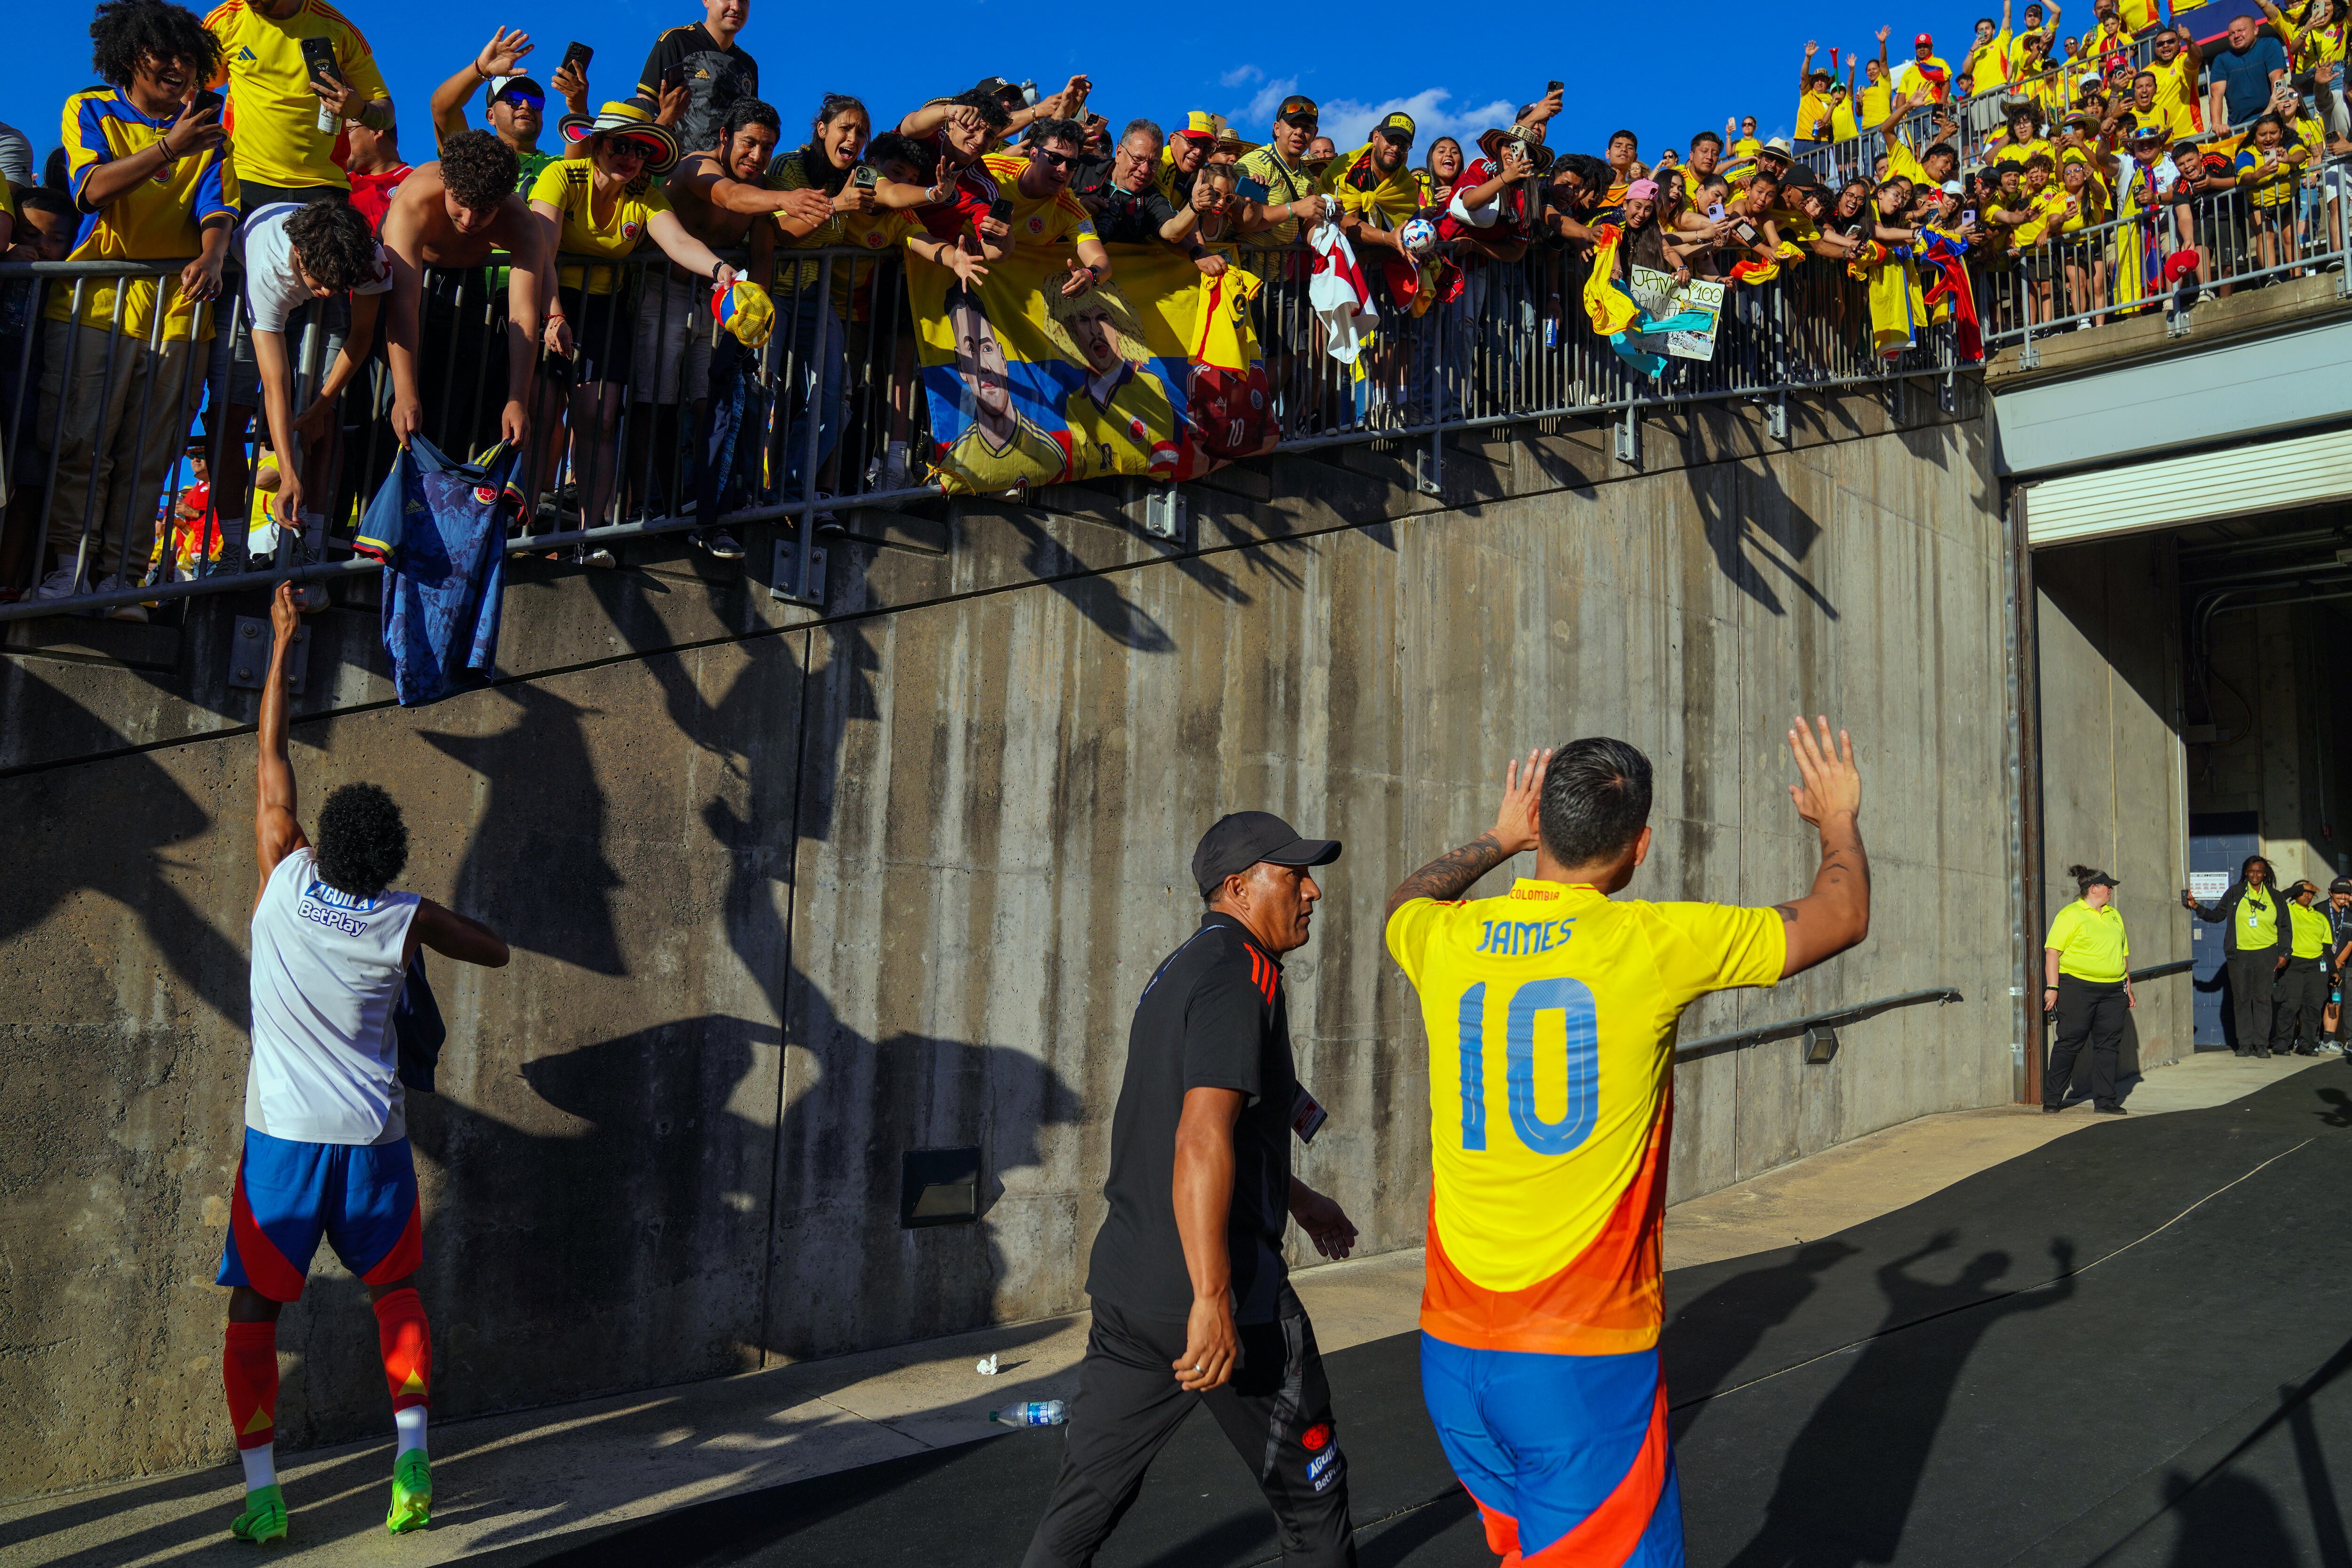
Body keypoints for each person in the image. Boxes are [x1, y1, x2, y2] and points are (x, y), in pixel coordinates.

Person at [1382, 719, 1869, 1567]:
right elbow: (1842, 914)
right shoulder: (1653, 941)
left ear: (1543, 830)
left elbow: (1404, 901)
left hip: (1452, 1355)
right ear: (1638, 845)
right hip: (1577, 1363)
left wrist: (1499, 835)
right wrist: (1836, 818)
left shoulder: (1447, 939)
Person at [218, 581, 511, 1547]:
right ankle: (414, 1457)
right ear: (382, 862)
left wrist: (282, 645)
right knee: (395, 1294)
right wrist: (417, 915)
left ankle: (263, 1492)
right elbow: (494, 947)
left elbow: (269, 758)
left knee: (258, 1305)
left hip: (284, 1143)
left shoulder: (283, 871)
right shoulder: (400, 917)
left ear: (317, 843)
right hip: (373, 1141)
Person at [1019, 811, 1358, 1568]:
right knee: (1313, 1500)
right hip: (1222, 1300)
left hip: (1132, 1295)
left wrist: (1298, 1198)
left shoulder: (1180, 969)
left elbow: (1213, 1124)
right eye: (1294, 875)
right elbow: (1199, 1138)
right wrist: (1213, 1298)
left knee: (1083, 1507)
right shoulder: (1245, 974)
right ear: (1239, 887)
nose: (1312, 893)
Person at [36, 0, 237, 616]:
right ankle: (72, 569)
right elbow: (91, 188)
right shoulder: (89, 107)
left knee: (150, 454)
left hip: (177, 317)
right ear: (129, 57)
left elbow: (217, 211)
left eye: (188, 56)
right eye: (165, 54)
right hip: (92, 306)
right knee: (80, 445)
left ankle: (124, 578)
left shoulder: (209, 131)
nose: (179, 66)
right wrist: (169, 148)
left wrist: (213, 255)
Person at [530, 102, 739, 549]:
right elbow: (540, 251)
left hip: (605, 308)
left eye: (641, 150)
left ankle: (592, 535)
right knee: (542, 411)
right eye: (620, 146)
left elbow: (680, 242)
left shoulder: (644, 193)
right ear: (599, 144)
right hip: (550, 297)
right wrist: (552, 314)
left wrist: (722, 271)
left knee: (602, 417)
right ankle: (521, 528)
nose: (630, 157)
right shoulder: (563, 177)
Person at [228, 199, 392, 549]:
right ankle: (233, 547)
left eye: (339, 285)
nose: (330, 293)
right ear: (300, 257)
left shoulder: (368, 259)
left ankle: (313, 545)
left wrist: (320, 407)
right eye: (320, 283)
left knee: (325, 416)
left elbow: (361, 336)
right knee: (240, 401)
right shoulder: (268, 270)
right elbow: (275, 385)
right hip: (257, 276)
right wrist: (287, 473)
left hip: (323, 257)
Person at [379, 130, 548, 464]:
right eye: (462, 204)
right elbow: (403, 306)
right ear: (447, 184)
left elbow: (524, 314)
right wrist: (405, 392)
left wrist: (518, 399)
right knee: (391, 417)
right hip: (404, 283)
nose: (470, 219)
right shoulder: (415, 203)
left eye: (484, 210)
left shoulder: (521, 225)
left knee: (452, 420)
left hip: (468, 286)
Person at [202, 0, 392, 212]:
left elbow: (387, 113)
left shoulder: (339, 29)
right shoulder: (225, 21)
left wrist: (359, 110)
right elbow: (193, 87)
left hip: (325, 186)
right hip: (246, 177)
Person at [428, 28, 590, 190]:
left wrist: (578, 109)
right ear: (491, 116)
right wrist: (481, 68)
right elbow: (443, 109)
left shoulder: (555, 167)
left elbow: (578, 173)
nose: (526, 106)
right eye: (514, 98)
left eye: (535, 101)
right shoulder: (474, 160)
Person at [2042, 865, 2133, 1113]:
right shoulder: (2070, 915)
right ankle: (2052, 1099)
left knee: (2108, 1045)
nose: (2111, 890)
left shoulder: (2114, 915)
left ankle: (2105, 1102)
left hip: (2114, 990)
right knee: (2070, 1042)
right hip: (2078, 987)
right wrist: (2052, 987)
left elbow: (2123, 954)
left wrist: (2128, 986)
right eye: (2108, 886)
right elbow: (2053, 952)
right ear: (2094, 889)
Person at [2185, 855, 2294, 1054]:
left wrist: (2284, 953)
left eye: (2259, 871)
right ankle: (2245, 1044)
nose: (2255, 875)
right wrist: (2196, 907)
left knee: (2262, 999)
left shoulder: (2275, 897)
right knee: (2242, 999)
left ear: (2265, 874)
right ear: (2246, 872)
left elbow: (2286, 927)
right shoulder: (2235, 893)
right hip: (2239, 955)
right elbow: (2217, 915)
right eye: (2251, 871)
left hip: (2266, 954)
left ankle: (2261, 1044)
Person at [637, 0, 758, 158]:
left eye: (743, 0)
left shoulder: (748, 65)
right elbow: (645, 104)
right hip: (677, 166)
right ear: (706, 1)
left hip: (729, 171)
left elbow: (753, 128)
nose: (736, 7)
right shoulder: (676, 40)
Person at [1235, 93, 1331, 249]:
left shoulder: (1309, 177)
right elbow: (1240, 221)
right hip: (1242, 267)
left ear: (1315, 134)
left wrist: (1329, 218)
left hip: (1281, 271)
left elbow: (1306, 233)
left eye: (1307, 127)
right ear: (1277, 129)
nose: (1300, 132)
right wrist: (1295, 208)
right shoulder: (1255, 163)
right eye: (1293, 124)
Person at [2273, 880, 2334, 1054]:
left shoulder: (2319, 917)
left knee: (2313, 1006)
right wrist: (2299, 888)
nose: (2307, 895)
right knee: (2291, 1005)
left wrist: (2334, 972)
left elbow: (2327, 948)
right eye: (2303, 892)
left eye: (2310, 893)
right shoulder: (2287, 911)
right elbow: (2280, 897)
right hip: (2293, 964)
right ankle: (2282, 1044)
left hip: (2316, 966)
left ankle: (2306, 1044)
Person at [2209, 12, 2291, 131]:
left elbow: (2278, 78)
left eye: (2241, 30)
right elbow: (2216, 94)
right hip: (2239, 129)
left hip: (2272, 119)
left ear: (2256, 30)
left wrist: (2273, 113)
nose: (2236, 36)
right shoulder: (2221, 60)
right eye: (2232, 34)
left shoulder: (2270, 45)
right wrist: (2217, 126)